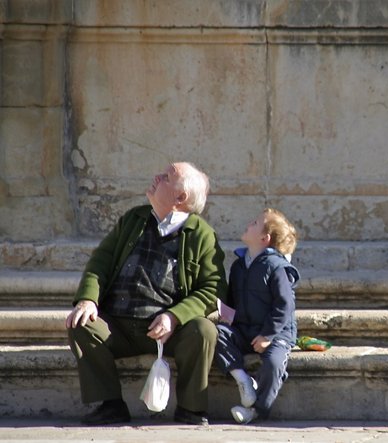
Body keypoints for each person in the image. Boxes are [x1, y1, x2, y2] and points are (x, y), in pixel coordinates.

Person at [65, 162, 228, 426]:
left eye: (166, 177)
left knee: (204, 330)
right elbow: (100, 262)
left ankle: (191, 408)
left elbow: (213, 289)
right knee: (81, 324)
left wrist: (174, 317)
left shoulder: (202, 235)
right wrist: (88, 299)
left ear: (181, 197)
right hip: (119, 325)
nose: (156, 177)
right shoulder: (134, 219)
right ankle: (111, 405)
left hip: (169, 333)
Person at [214, 208, 299, 424]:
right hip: (244, 330)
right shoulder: (239, 265)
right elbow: (233, 298)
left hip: (275, 334)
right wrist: (227, 315)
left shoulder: (276, 267)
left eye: (254, 223)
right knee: (215, 334)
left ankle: (257, 410)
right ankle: (243, 381)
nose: (248, 224)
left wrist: (268, 335)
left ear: (264, 238)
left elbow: (284, 304)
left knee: (273, 364)